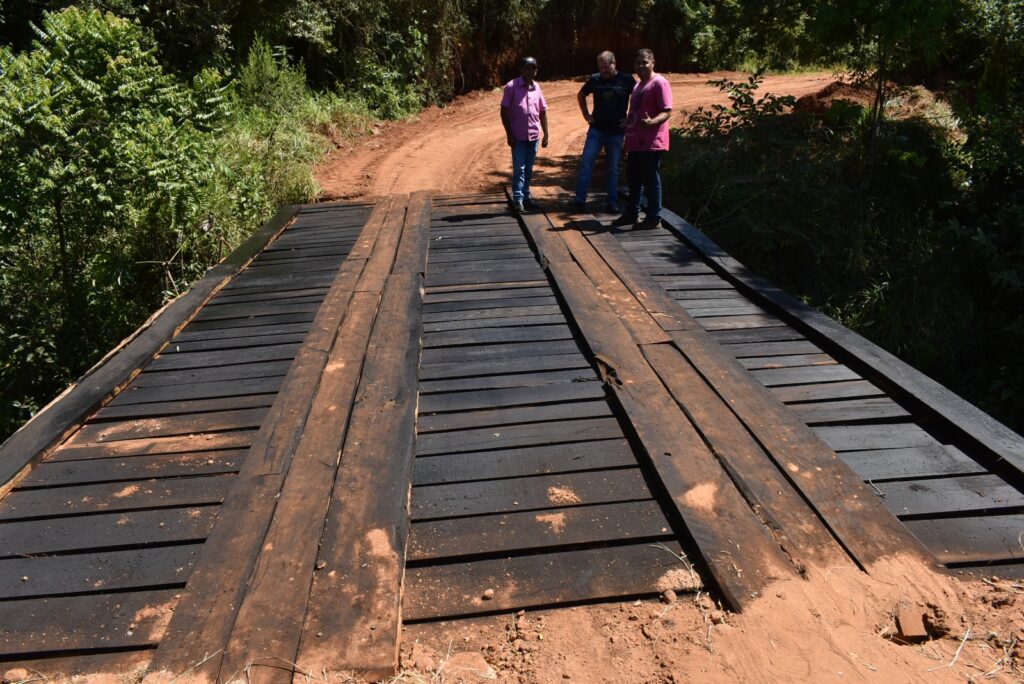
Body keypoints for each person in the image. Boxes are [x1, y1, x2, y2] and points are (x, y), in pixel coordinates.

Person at [614, 49, 672, 229]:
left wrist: (652, 122)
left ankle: (654, 218)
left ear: (653, 62)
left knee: (651, 180)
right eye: (638, 63)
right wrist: (627, 140)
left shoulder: (660, 83)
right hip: (636, 142)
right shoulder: (638, 85)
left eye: (644, 62)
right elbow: (633, 114)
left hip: (652, 142)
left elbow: (667, 110)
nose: (641, 66)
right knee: (633, 179)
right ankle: (632, 213)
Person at [572, 51, 635, 213]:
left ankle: (611, 202)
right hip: (597, 130)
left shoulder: (627, 79)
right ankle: (579, 200)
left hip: (617, 133)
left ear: (614, 64)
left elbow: (639, 98)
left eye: (606, 67)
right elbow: (581, 95)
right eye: (601, 68)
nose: (603, 71)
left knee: (613, 168)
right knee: (586, 163)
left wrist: (631, 117)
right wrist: (586, 115)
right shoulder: (595, 79)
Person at [500, 56, 549, 213]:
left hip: (533, 136)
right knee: (519, 168)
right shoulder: (511, 86)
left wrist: (546, 134)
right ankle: (518, 200)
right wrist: (509, 134)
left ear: (536, 71)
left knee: (528, 168)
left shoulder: (537, 88)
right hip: (518, 137)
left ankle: (526, 197)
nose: (530, 71)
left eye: (533, 68)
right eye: (527, 68)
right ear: (521, 70)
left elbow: (542, 112)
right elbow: (504, 112)